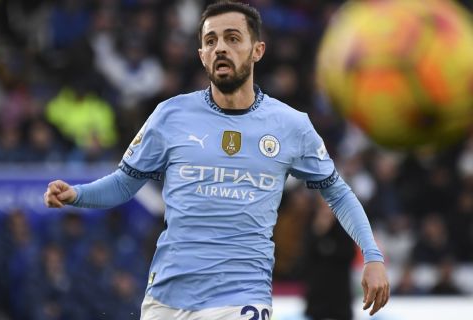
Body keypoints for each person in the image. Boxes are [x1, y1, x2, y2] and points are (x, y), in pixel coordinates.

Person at [44, 1, 389, 319]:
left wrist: (372, 256)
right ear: (202, 55)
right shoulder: (170, 115)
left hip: (240, 297)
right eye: (210, 41)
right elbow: (123, 183)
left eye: (232, 38)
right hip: (166, 297)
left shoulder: (290, 126)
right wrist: (77, 194)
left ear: (258, 50)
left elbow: (338, 194)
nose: (220, 47)